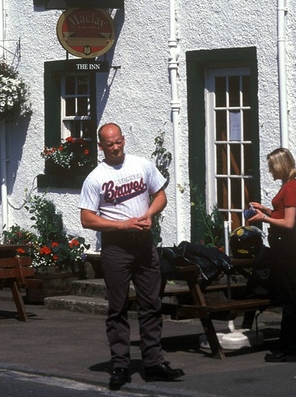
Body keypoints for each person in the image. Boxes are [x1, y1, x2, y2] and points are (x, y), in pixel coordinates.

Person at [80, 122, 185, 390]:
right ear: (101, 146)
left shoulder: (142, 165)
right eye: (109, 144)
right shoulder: (95, 177)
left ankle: (153, 363)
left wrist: (149, 214)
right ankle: (120, 365)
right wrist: (122, 225)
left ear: (124, 140)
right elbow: (87, 219)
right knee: (118, 307)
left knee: (151, 304)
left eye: (118, 142)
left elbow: (160, 195)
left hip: (143, 243)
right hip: (116, 247)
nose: (115, 148)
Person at [247, 147, 296, 363]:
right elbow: (281, 214)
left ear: (281, 165)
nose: (270, 171)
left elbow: (288, 223)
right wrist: (265, 209)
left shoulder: (291, 188)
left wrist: (263, 218)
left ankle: (289, 349)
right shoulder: (287, 186)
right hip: (282, 243)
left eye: (272, 167)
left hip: (285, 244)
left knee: (289, 298)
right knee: (289, 296)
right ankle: (293, 346)